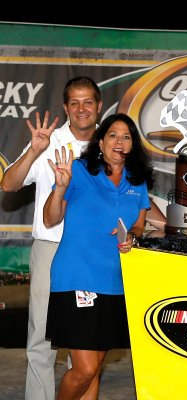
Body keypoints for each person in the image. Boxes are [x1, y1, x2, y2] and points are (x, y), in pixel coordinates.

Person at [0, 76, 102, 400]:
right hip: (51, 249)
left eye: (88, 102)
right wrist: (33, 151)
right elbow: (8, 184)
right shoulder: (49, 141)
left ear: (99, 106)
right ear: (65, 106)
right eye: (75, 102)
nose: (81, 109)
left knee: (85, 344)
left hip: (94, 255)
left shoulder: (110, 144)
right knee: (42, 341)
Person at [43, 113, 152, 400]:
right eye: (113, 135)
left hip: (115, 282)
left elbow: (139, 224)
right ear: (100, 142)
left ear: (132, 145)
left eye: (126, 137)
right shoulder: (78, 171)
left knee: (96, 368)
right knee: (85, 369)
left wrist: (133, 236)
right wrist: (61, 188)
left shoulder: (137, 181)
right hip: (77, 277)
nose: (120, 141)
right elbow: (50, 218)